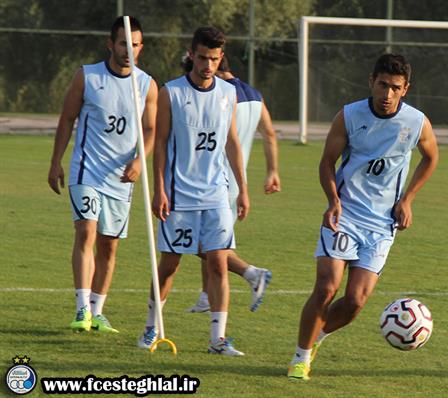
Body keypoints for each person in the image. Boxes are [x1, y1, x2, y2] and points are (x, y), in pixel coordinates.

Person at [287, 53, 439, 380]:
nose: (387, 94)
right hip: (345, 214)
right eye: (382, 85)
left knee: (355, 301)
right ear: (371, 82)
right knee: (327, 287)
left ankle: (316, 339)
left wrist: (408, 199)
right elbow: (327, 162)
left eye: (395, 88)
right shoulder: (349, 116)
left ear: (405, 89)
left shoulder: (416, 122)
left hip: (382, 224)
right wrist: (332, 201)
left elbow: (431, 157)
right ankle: (300, 358)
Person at [138, 27, 248, 356]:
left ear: (220, 58)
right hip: (179, 195)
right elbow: (159, 144)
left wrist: (243, 189)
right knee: (170, 264)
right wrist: (160, 189)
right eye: (202, 57)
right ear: (192, 54)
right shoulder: (171, 92)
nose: (207, 64)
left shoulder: (228, 93)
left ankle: (218, 339)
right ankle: (149, 327)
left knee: (217, 263)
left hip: (216, 193)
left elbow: (231, 141)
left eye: (214, 59)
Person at [47, 16, 158, 334]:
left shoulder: (147, 85)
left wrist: (140, 159)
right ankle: (81, 309)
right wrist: (55, 162)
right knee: (86, 233)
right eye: (124, 43)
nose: (129, 50)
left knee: (110, 247)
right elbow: (67, 119)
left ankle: (97, 311)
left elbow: (150, 130)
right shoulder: (87, 76)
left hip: (121, 179)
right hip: (87, 171)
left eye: (135, 44)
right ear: (111, 44)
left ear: (141, 47)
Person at [184, 55, 280, 314]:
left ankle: (251, 273)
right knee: (211, 243)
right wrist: (272, 170)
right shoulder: (255, 95)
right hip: (236, 180)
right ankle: (206, 298)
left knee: (199, 243)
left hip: (216, 180)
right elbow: (269, 133)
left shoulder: (222, 95)